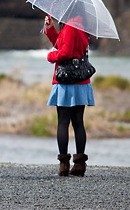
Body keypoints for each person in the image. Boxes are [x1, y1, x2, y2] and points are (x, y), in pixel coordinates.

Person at [44, 15, 95, 177]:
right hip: (81, 81)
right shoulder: (81, 26)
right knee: (78, 123)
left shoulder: (70, 27)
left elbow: (64, 52)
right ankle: (80, 164)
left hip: (66, 82)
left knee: (63, 122)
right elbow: (61, 44)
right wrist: (51, 29)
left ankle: (63, 165)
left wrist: (50, 56)